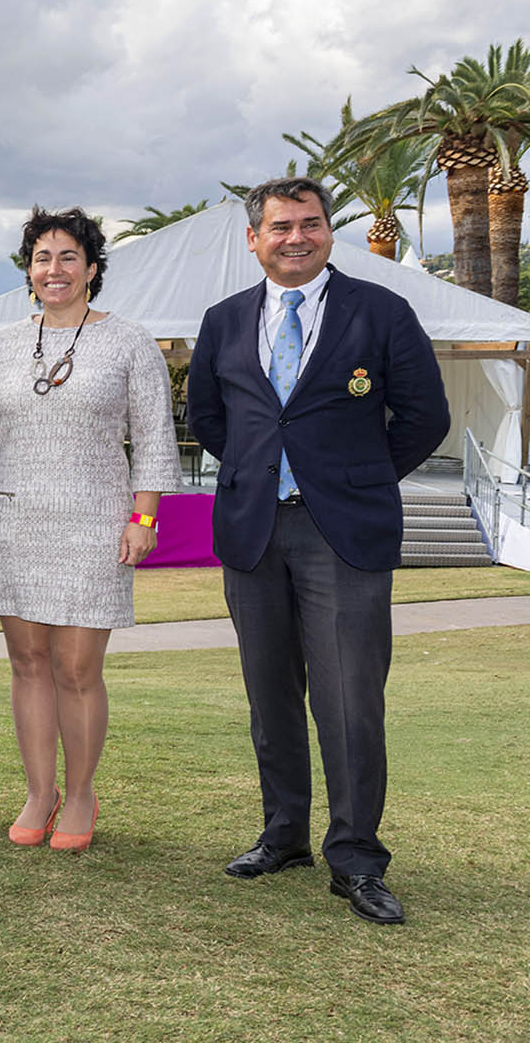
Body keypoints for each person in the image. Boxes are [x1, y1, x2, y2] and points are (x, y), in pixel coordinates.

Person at [187, 177, 448, 924]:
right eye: (279, 227)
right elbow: (209, 415)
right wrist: (255, 474)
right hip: (253, 530)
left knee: (349, 702)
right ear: (253, 238)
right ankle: (284, 836)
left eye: (310, 224)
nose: (295, 237)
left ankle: (357, 858)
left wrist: (356, 479)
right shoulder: (224, 319)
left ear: (329, 231)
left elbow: (425, 415)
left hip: (345, 534)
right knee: (270, 697)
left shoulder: (382, 312)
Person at [0, 207, 182, 853]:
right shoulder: (1, 343)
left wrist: (144, 518)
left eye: (68, 258)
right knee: (27, 663)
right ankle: (38, 791)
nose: (54, 270)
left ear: (92, 270)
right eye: (42, 258)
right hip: (12, 523)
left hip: (94, 525)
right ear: (30, 271)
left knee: (77, 668)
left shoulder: (130, 341)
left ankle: (80, 794)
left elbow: (156, 440)